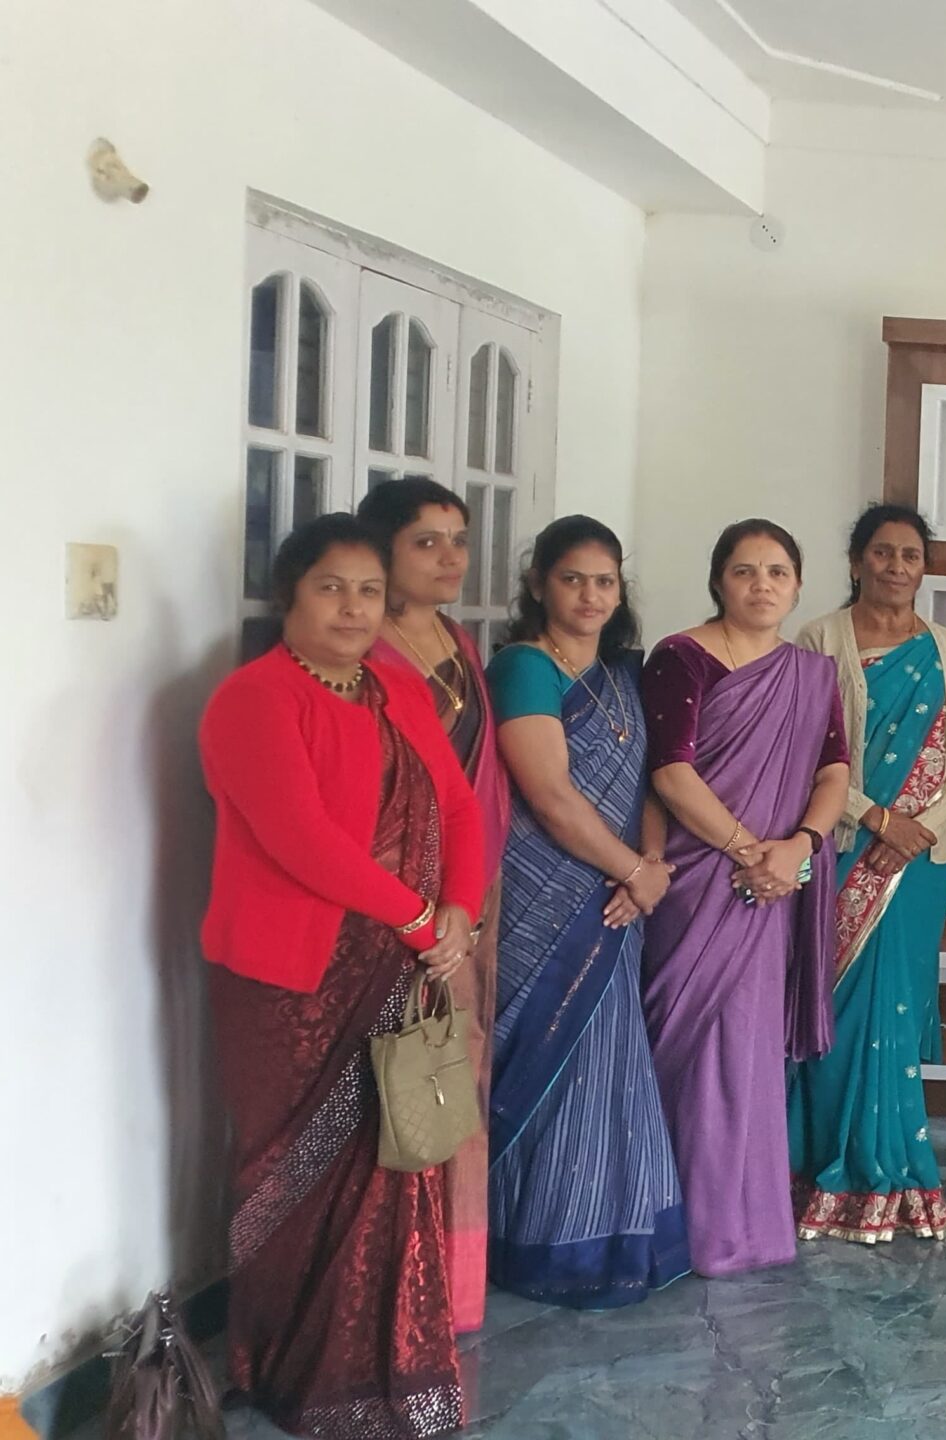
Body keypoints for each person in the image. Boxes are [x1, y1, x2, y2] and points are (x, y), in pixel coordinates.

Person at [198, 514, 486, 1438]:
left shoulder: (394, 688)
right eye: (331, 588)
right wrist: (418, 917)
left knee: (388, 1159)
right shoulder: (254, 699)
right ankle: (279, 1366)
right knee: (289, 1171)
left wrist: (460, 908)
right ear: (289, 594)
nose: (354, 608)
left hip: (398, 964)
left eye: (369, 591)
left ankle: (382, 1365)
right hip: (292, 980)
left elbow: (458, 806)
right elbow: (299, 837)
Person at [483, 515, 690, 1308]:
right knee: (551, 1060)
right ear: (539, 584)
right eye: (572, 579)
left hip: (619, 897)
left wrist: (650, 870)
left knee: (610, 1065)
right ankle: (536, 1243)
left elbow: (650, 783)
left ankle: (612, 1234)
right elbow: (550, 795)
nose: (590, 596)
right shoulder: (524, 668)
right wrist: (633, 870)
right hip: (545, 897)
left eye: (605, 582)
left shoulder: (625, 674)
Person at [640, 519, 852, 1277]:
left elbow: (835, 771)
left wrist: (798, 847)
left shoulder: (811, 674)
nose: (762, 584)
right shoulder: (680, 658)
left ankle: (746, 1226)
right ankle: (681, 1228)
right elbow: (670, 771)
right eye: (744, 571)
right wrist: (749, 849)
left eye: (777, 572)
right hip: (702, 882)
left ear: (798, 587)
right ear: (718, 581)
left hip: (776, 884)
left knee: (750, 1052)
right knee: (698, 1050)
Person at [789, 504, 946, 1243]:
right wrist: (877, 819)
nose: (896, 567)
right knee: (833, 1012)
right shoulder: (820, 641)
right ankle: (823, 1171)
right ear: (856, 562)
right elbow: (808, 750)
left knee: (893, 1017)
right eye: (882, 552)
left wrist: (919, 830)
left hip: (919, 865)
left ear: (923, 568)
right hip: (844, 850)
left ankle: (897, 1175)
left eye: (910, 555)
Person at [358, 476, 510, 1333]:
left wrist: (468, 900)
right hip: (390, 903)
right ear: (382, 549)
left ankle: (451, 1285)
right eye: (427, 541)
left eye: (458, 539)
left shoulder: (457, 640)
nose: (451, 557)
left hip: (468, 894)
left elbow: (476, 785)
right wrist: (418, 906)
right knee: (391, 1077)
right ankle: (390, 1287)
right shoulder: (365, 649)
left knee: (457, 1067)